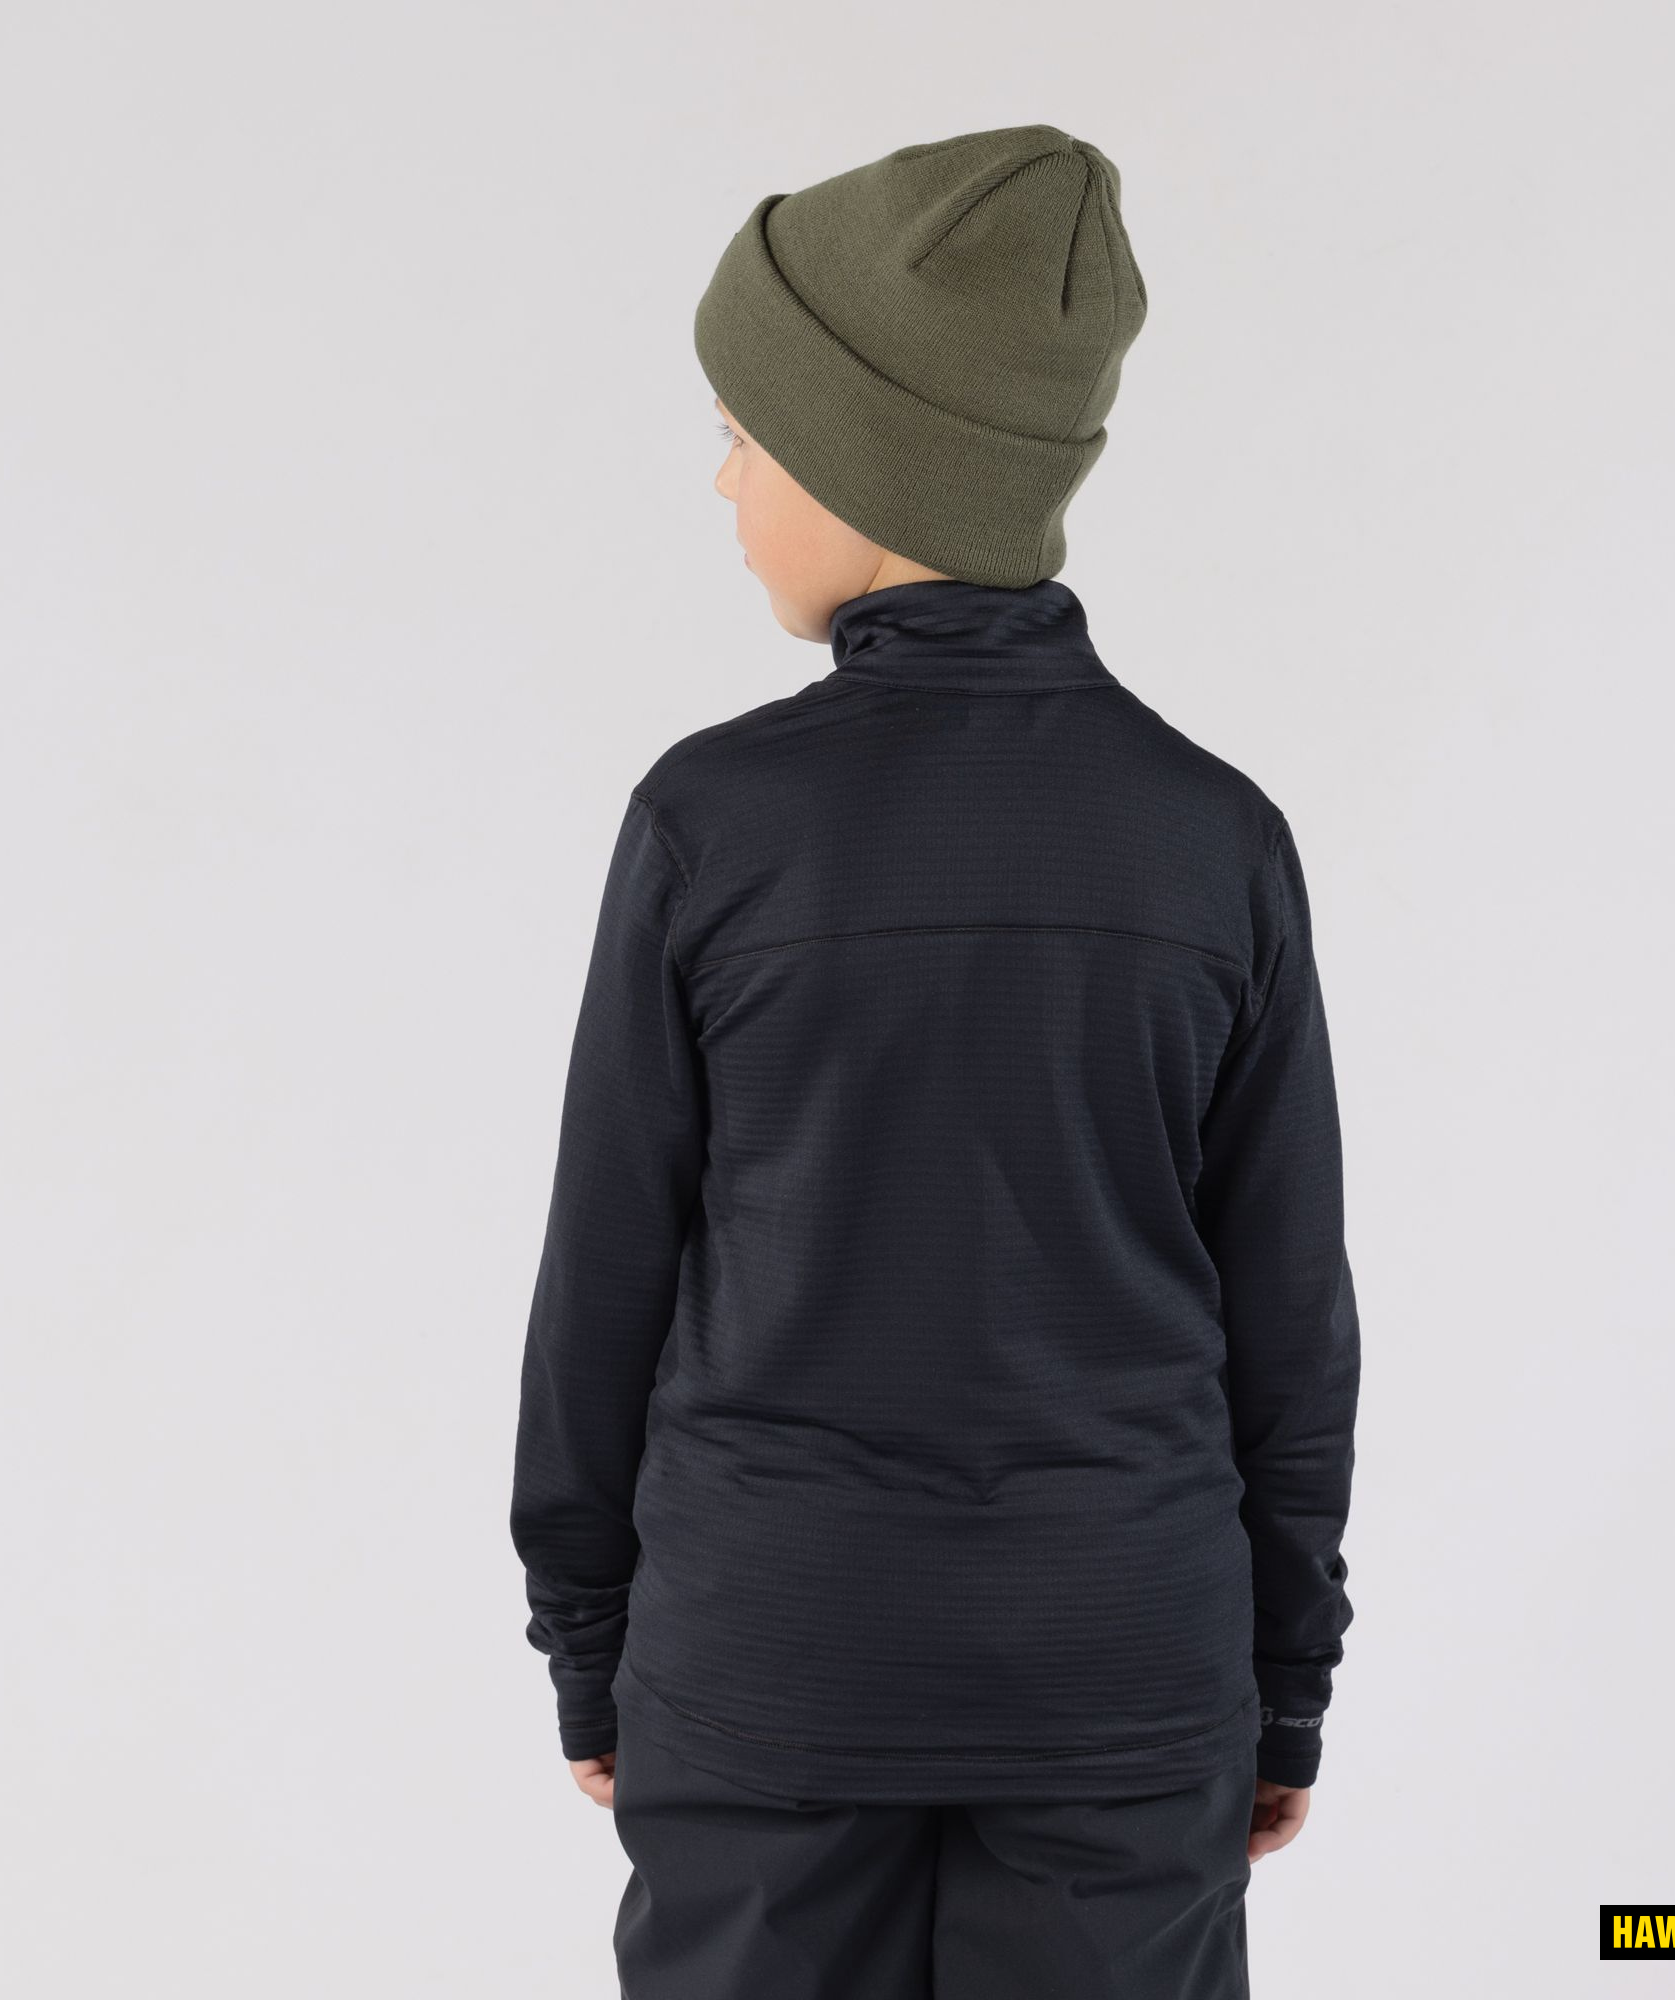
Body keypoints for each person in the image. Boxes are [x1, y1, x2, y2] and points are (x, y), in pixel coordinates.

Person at [509, 123, 1362, 2000]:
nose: (724, 480)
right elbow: (1290, 1318)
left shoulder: (712, 827)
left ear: (870, 458)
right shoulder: (1216, 841)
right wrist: (1281, 1682)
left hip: (768, 1673)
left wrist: (590, 1643)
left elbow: (606, 1279)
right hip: (1124, 1677)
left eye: (746, 433)